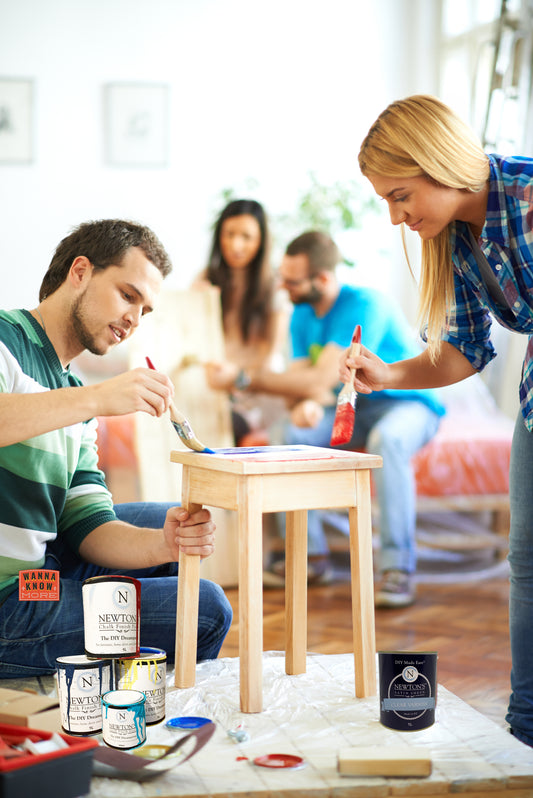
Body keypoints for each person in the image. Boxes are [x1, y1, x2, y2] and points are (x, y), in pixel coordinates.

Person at [340, 93, 533, 746]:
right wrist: (388, 374)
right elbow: (464, 352)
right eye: (386, 203)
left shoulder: (528, 191)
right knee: (526, 565)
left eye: (399, 196)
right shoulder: (455, 241)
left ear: (434, 162)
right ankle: (524, 731)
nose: (396, 217)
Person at [0, 218, 233, 678]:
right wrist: (98, 398)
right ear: (80, 272)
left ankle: (101, 670)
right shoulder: (5, 341)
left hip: (39, 574)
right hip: (9, 603)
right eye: (128, 295)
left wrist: (164, 542)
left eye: (144, 310)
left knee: (169, 527)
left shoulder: (73, 391)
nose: (134, 319)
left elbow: (89, 526)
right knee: (207, 609)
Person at [230, 229, 445, 603]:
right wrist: (305, 406)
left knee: (388, 440)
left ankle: (398, 569)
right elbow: (305, 384)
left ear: (323, 279)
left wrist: (265, 382)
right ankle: (310, 558)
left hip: (406, 403)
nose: (283, 287)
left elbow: (319, 377)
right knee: (287, 433)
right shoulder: (300, 314)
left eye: (292, 280)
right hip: (348, 403)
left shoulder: (366, 304)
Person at [193, 199, 289, 444]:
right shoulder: (205, 280)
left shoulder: (275, 288)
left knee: (223, 426)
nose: (236, 245)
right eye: (229, 234)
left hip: (258, 393)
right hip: (216, 388)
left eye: (246, 237)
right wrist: (196, 304)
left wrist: (238, 378)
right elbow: (190, 342)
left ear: (261, 241)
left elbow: (270, 358)